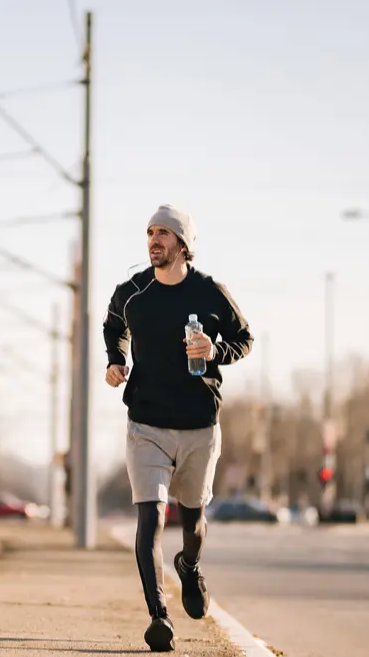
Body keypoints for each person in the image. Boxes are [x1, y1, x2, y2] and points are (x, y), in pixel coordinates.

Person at [102, 204, 253, 652]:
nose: (154, 240)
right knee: (150, 518)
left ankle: (189, 565)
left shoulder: (210, 293)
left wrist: (216, 349)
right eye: (150, 232)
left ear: (183, 245)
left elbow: (244, 339)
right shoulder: (132, 291)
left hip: (199, 425)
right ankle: (158, 616)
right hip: (146, 423)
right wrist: (115, 360)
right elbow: (114, 326)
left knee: (193, 518)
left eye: (163, 233)